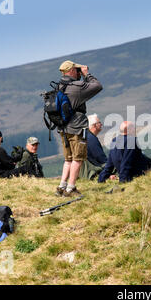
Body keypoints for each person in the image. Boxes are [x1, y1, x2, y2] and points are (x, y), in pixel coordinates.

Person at [55, 60, 103, 197]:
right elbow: (97, 86)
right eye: (76, 70)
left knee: (68, 159)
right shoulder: (76, 86)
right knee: (78, 158)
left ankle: (61, 186)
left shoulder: (59, 86)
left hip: (63, 128)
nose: (78, 72)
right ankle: (71, 188)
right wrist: (87, 74)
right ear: (70, 71)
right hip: (76, 128)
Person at [79, 114, 109, 180]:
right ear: (94, 125)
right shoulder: (91, 138)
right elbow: (101, 159)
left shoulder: (85, 136)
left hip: (83, 171)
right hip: (91, 171)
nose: (101, 125)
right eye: (99, 123)